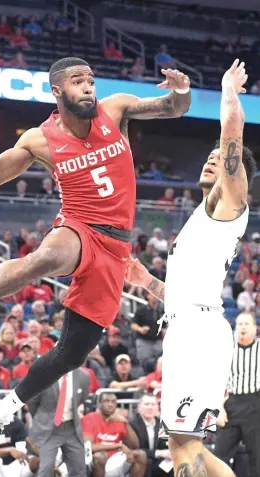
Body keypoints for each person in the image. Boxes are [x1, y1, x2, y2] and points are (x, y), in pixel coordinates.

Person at [0, 56, 191, 457]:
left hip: (117, 247)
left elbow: (172, 107)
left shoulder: (115, 109)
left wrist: (181, 90)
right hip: (79, 225)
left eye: (91, 81)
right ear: (57, 90)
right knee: (47, 257)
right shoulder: (38, 139)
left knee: (74, 352)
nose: (88, 88)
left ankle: (1, 410)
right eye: (78, 81)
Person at [125, 59, 257, 475]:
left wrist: (227, 89)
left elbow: (232, 132)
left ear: (237, 175)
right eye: (209, 156)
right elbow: (185, 294)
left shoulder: (229, 203)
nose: (211, 161)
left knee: (184, 449)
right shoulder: (201, 217)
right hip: (191, 326)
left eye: (220, 160)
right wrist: (146, 280)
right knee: (189, 447)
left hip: (198, 334)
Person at [214, 312, 260, 476]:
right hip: (231, 405)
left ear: (255, 329)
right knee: (219, 455)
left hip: (255, 404)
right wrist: (218, 407)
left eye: (247, 324)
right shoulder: (226, 351)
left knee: (257, 458)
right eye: (240, 324)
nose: (243, 327)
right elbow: (217, 382)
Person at [27, 368, 90, 476]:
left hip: (71, 427)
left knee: (79, 468)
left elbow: (82, 398)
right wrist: (42, 420)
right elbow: (33, 402)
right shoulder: (43, 375)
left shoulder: (83, 376)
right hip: (48, 429)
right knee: (46, 469)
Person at [82, 392, 146, 477]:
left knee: (141, 455)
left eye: (113, 402)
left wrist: (125, 423)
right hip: (95, 460)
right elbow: (89, 447)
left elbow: (135, 446)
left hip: (115, 457)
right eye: (106, 401)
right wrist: (119, 445)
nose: (110, 404)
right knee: (100, 456)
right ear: (99, 404)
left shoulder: (118, 420)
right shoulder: (89, 418)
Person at [0, 387, 40, 477]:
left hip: (15, 463)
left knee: (38, 463)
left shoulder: (13, 421)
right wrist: (9, 450)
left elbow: (23, 444)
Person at [130, 393, 172, 477]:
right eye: (146, 404)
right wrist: (158, 453)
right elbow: (135, 450)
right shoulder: (132, 424)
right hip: (140, 462)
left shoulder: (162, 423)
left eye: (153, 404)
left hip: (160, 461)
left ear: (157, 407)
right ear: (139, 407)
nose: (150, 407)